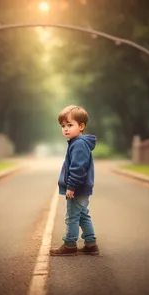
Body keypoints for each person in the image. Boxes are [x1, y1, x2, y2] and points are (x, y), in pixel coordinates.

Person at [50, 105, 99, 256]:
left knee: (72, 216)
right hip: (81, 188)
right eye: (63, 126)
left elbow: (78, 169)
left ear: (81, 126)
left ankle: (70, 244)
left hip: (77, 188)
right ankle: (91, 244)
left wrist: (71, 186)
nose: (65, 129)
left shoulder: (78, 144)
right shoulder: (77, 142)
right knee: (83, 215)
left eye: (70, 125)